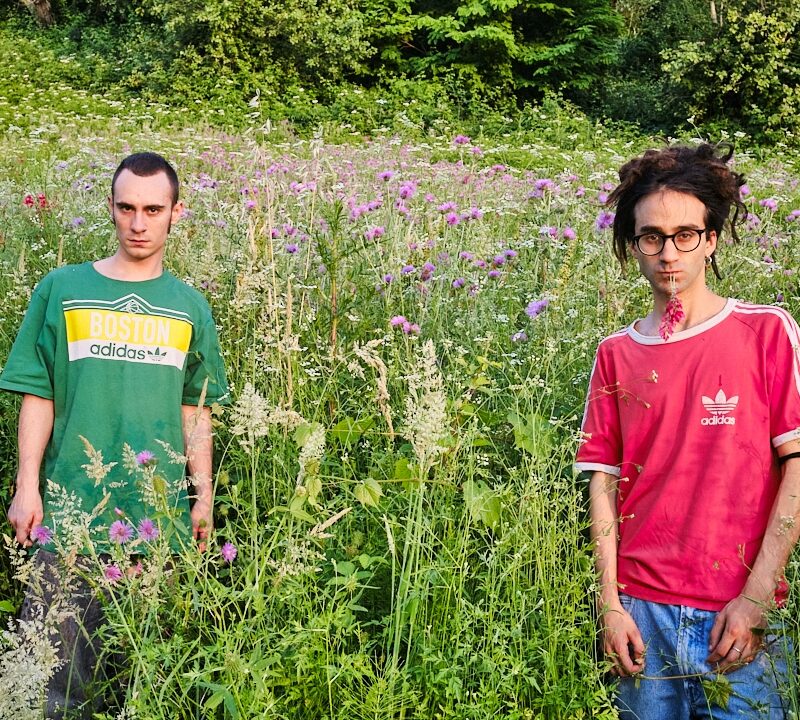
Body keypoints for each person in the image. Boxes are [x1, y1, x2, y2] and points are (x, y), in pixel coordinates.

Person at [1, 152, 229, 718]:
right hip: (69, 516)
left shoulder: (189, 307)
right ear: (110, 207)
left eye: (153, 210)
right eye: (126, 208)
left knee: (149, 684)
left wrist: (202, 496)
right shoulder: (62, 289)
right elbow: (39, 394)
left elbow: (196, 409)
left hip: (157, 523)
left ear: (176, 212)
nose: (138, 223)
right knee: (51, 685)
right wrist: (27, 486)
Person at [576, 143, 800, 718]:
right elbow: (602, 484)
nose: (669, 253)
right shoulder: (615, 353)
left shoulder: (766, 332)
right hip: (640, 617)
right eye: (651, 237)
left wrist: (756, 600)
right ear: (633, 246)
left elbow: (797, 471)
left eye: (685, 235)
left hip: (737, 614)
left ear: (711, 239)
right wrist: (610, 607)